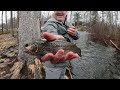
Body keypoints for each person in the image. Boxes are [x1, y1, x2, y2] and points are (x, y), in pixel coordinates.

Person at [41, 11, 80, 79]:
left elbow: (77, 36)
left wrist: (75, 34)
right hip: (53, 66)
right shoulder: (50, 24)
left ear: (67, 12)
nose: (59, 11)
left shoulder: (67, 23)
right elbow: (52, 37)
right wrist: (57, 38)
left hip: (64, 63)